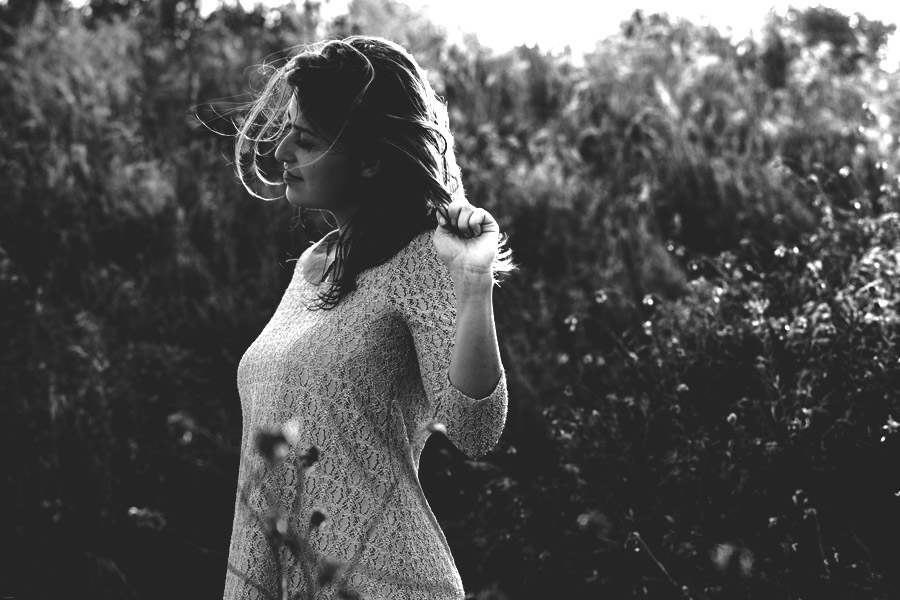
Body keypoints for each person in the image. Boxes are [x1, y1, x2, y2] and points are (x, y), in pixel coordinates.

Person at [223, 35, 515, 600]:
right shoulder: (312, 265)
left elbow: (475, 430)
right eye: (287, 130)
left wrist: (474, 283)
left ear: (372, 158)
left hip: (390, 583)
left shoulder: (423, 259)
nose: (280, 151)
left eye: (306, 139)